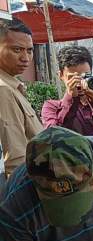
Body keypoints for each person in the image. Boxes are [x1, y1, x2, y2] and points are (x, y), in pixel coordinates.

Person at [0, 19, 43, 179]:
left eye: (30, 50)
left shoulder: (13, 86)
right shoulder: (3, 90)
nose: (26, 58)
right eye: (17, 50)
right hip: (23, 185)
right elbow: (15, 157)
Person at [41, 46, 93, 137]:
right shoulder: (51, 107)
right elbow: (55, 136)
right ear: (60, 75)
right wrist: (70, 98)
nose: (80, 82)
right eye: (73, 78)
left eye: (85, 76)